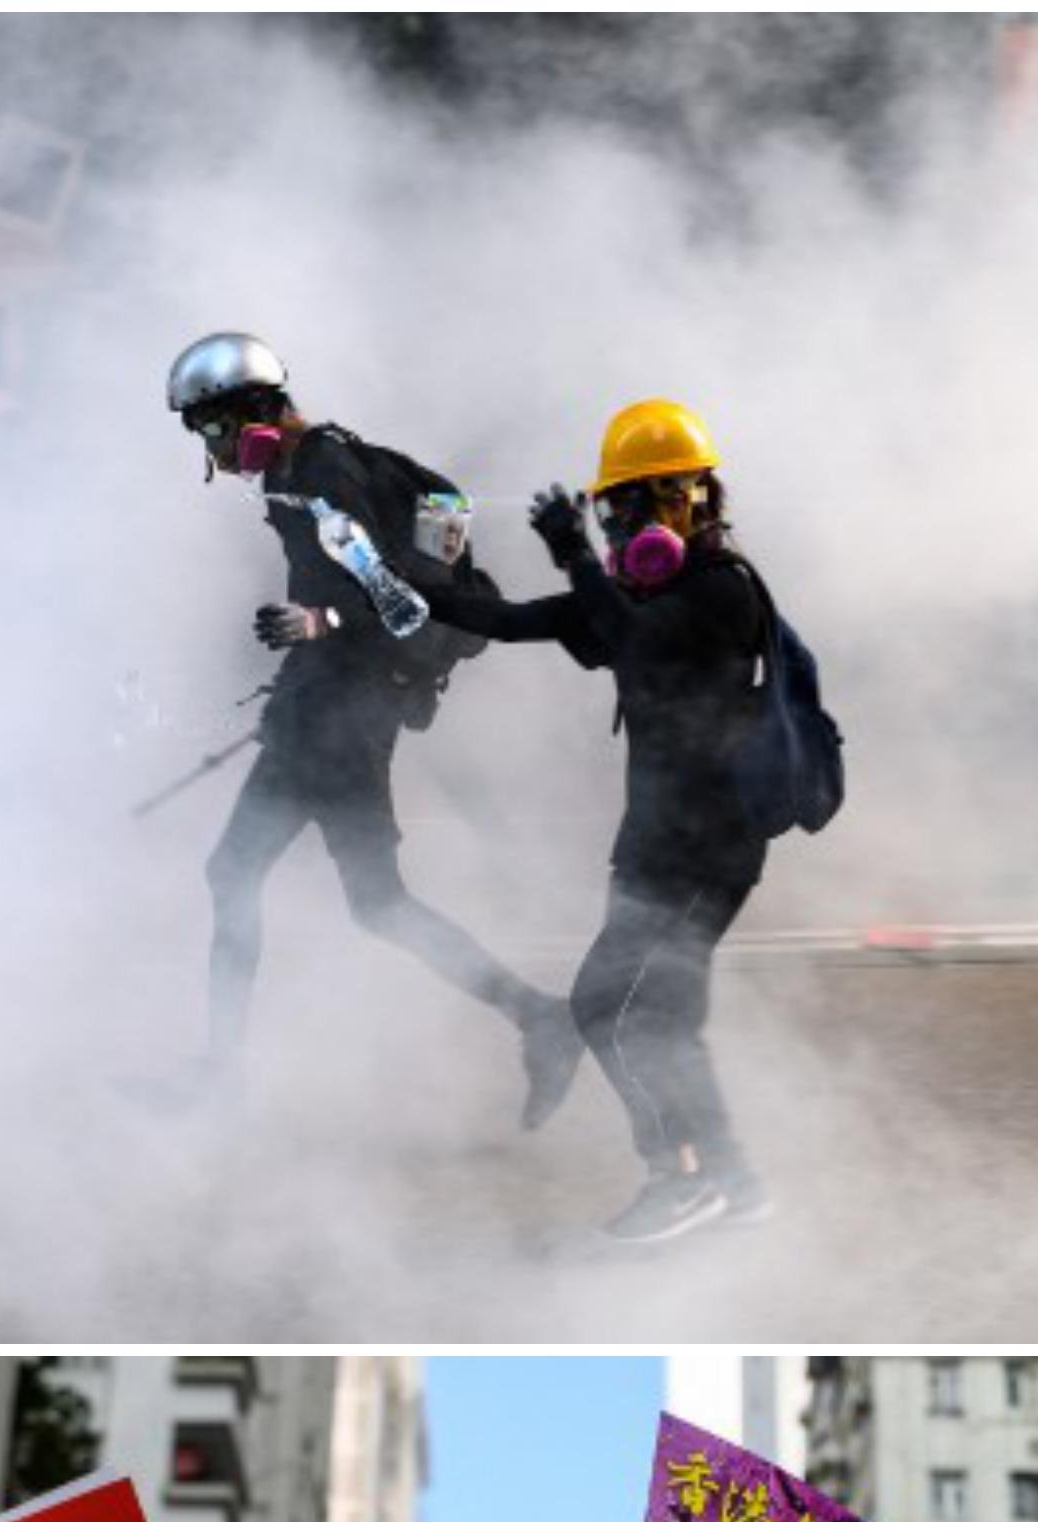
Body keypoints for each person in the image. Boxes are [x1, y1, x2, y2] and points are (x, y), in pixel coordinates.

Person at [159, 331, 579, 1113]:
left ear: (257, 411)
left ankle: (540, 1017)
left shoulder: (323, 470)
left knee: (369, 902)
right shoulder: (292, 474)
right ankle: (221, 1074)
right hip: (317, 712)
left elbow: (390, 595)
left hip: (344, 723)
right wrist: (290, 688)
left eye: (213, 428)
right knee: (275, 883)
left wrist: (315, 626)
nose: (213, 450)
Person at [421, 397, 800, 1242]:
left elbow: (644, 649)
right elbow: (518, 621)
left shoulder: (723, 591)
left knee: (629, 1010)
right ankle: (730, 1184)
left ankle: (683, 1179)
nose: (627, 527)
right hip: (656, 850)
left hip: (710, 852)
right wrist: (410, 588)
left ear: (692, 502)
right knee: (636, 1015)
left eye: (639, 506)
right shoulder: (634, 597)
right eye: (614, 509)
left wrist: (576, 557)